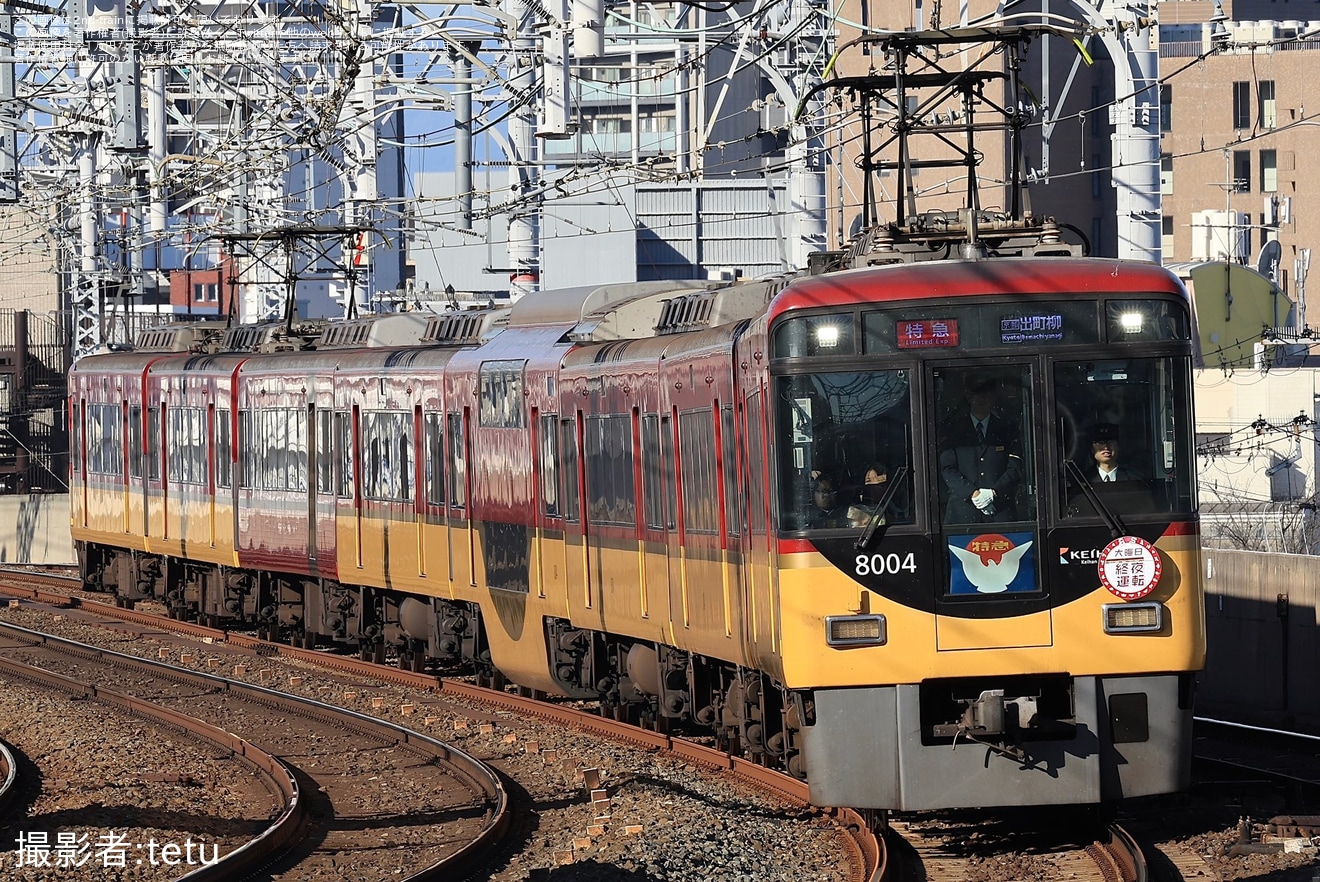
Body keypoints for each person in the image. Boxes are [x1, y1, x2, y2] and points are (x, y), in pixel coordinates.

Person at [939, 376, 1023, 523]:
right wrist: (973, 493)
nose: (981, 399)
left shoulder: (1006, 428)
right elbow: (947, 468)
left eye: (987, 394)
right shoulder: (953, 429)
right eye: (976, 394)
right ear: (968, 397)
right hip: (962, 512)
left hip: (1000, 510)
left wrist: (994, 493)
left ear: (994, 398)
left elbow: (1015, 466)